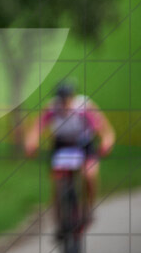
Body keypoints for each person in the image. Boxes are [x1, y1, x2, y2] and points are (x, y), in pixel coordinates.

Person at [23, 80, 115, 237]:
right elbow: (36, 128)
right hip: (61, 146)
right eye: (62, 98)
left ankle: (88, 209)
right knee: (57, 182)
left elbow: (105, 130)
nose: (65, 101)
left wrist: (106, 143)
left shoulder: (84, 107)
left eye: (68, 97)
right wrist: (31, 144)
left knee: (89, 175)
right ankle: (59, 220)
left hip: (84, 145)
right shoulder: (52, 108)